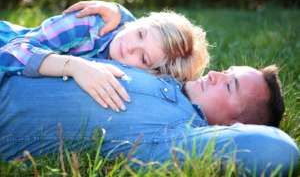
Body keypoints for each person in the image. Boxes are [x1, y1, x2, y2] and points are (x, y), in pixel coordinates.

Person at [0, 59, 298, 176]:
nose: (216, 75)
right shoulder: (164, 77)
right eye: (228, 71)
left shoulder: (176, 136)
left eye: (230, 85)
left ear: (235, 127)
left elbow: (277, 149)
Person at [0, 1, 209, 111]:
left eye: (143, 58)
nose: (129, 46)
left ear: (151, 74)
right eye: (140, 34)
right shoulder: (86, 25)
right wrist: (73, 65)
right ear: (136, 22)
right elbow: (13, 51)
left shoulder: (137, 79)